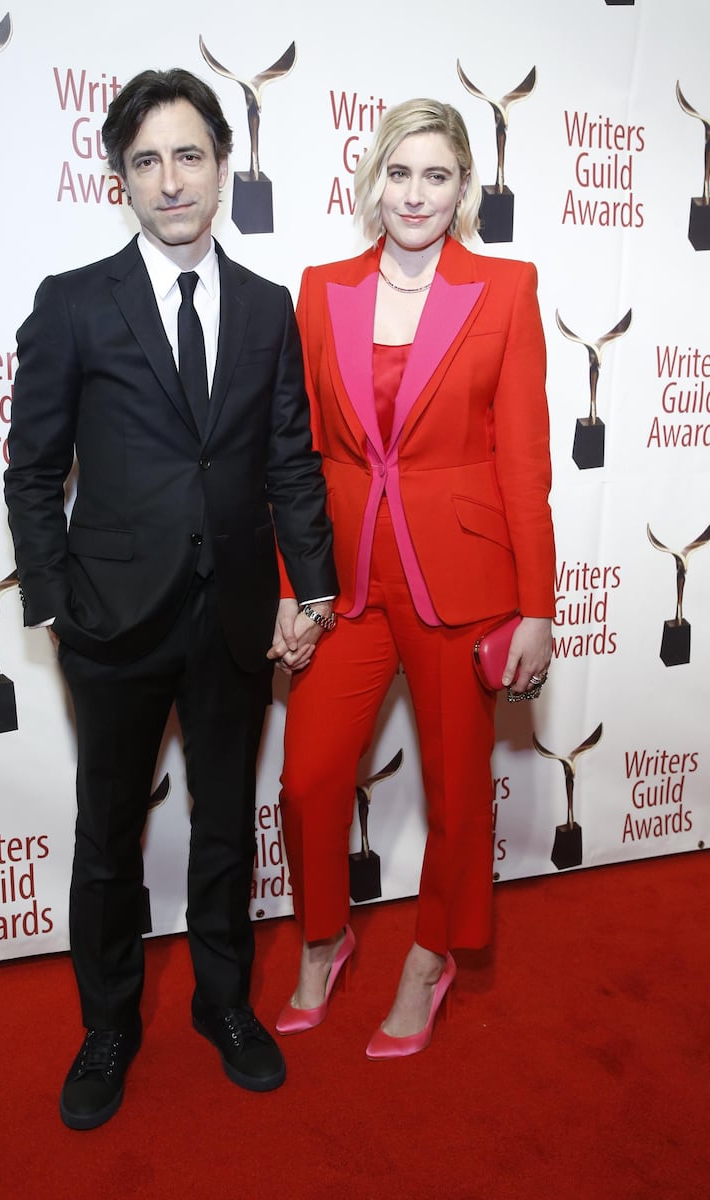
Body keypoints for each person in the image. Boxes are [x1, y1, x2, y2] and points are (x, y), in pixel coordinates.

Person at [4, 67, 337, 1129]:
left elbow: (289, 456)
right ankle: (108, 1025)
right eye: (144, 161)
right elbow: (30, 470)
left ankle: (224, 1004)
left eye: (187, 154)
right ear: (120, 181)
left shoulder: (266, 307)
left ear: (223, 167)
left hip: (234, 616)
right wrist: (55, 600)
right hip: (110, 621)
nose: (168, 179)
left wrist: (312, 589)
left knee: (226, 826)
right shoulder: (70, 304)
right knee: (107, 835)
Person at [275, 99, 555, 1058]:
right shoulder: (323, 290)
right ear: (372, 182)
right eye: (400, 173)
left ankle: (430, 957)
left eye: (438, 176)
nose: (416, 194)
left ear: (465, 188)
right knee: (309, 778)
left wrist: (538, 607)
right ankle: (323, 938)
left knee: (458, 793)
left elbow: (523, 461)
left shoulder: (505, 289)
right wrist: (290, 584)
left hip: (463, 584)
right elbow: (298, 456)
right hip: (344, 582)